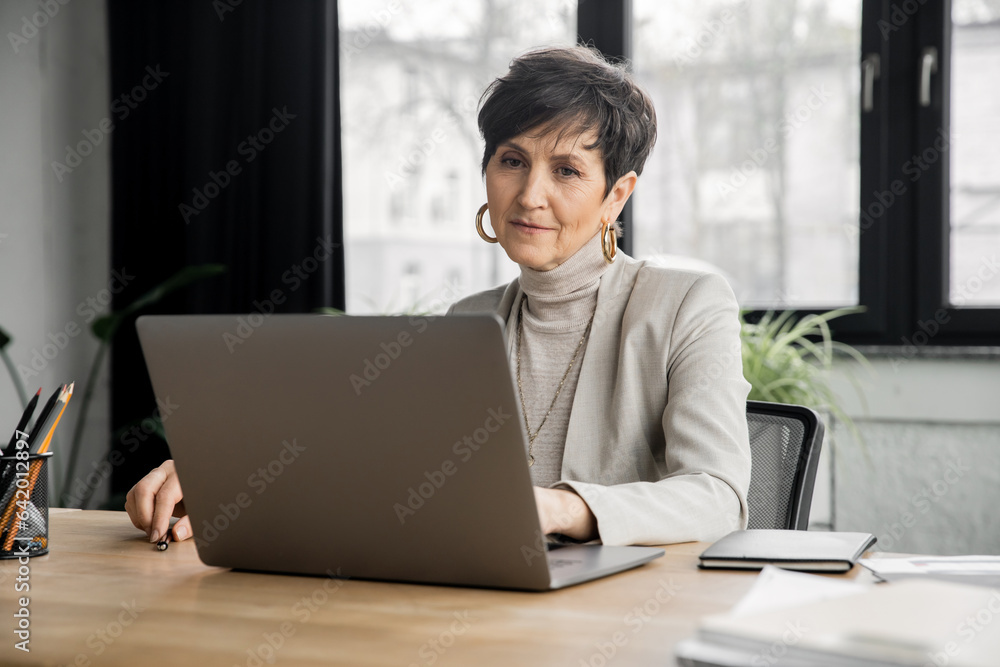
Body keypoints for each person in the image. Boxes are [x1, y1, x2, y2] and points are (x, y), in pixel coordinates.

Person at [126, 45, 751, 548]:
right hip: (482, 610)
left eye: (566, 170)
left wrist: (559, 508)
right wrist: (229, 487)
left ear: (618, 194)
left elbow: (718, 496)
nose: (530, 195)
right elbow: (384, 479)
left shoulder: (687, 303)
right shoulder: (470, 320)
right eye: (512, 160)